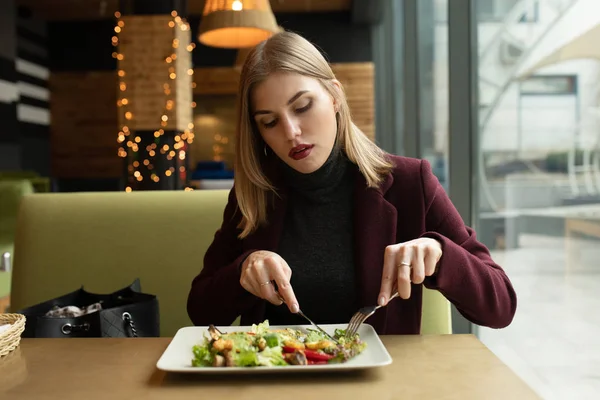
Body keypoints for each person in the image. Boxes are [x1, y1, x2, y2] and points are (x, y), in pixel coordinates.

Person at [186, 31, 517, 334]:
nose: (291, 132)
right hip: (276, 383)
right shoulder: (255, 194)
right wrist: (243, 270)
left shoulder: (408, 182)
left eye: (302, 107)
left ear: (334, 96)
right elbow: (200, 311)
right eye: (270, 122)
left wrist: (442, 255)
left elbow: (500, 307)